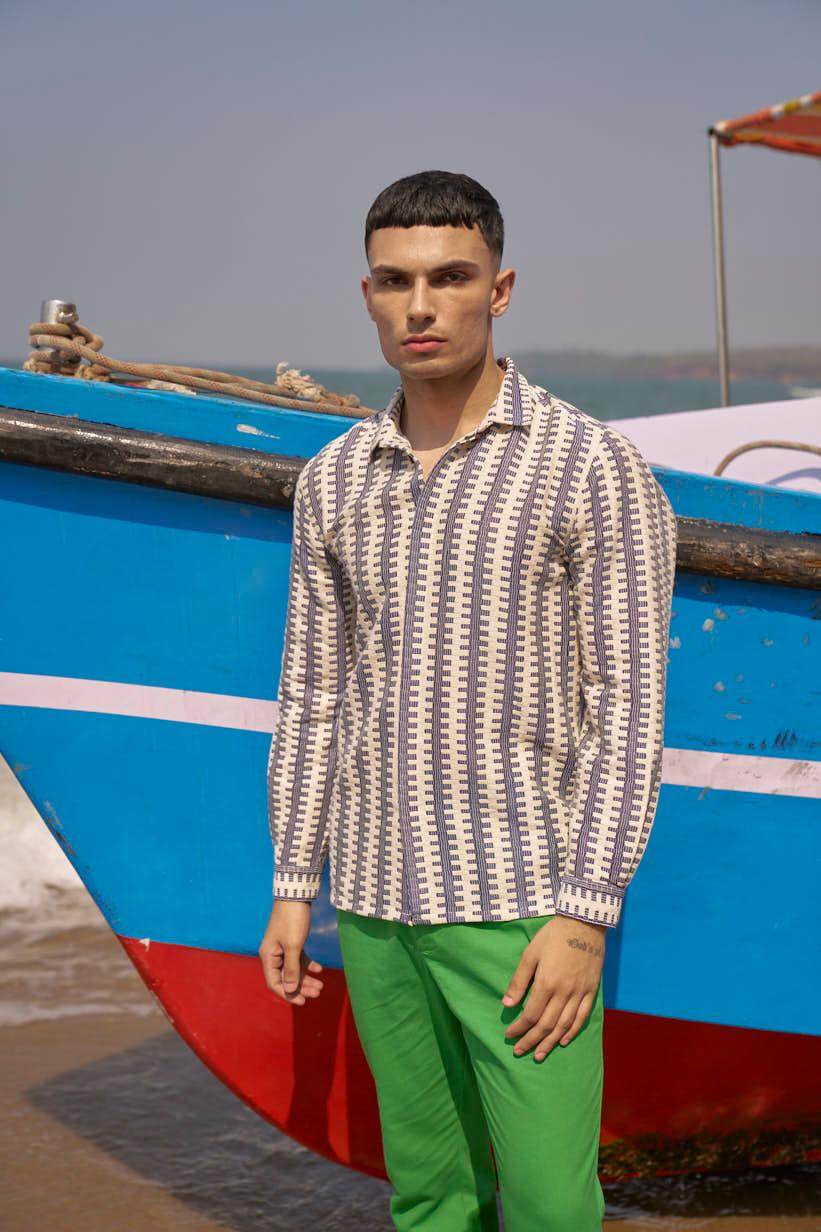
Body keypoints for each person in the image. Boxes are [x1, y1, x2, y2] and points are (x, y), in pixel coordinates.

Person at [259, 169, 678, 1231]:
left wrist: (584, 915)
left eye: (449, 277)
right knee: (430, 1195)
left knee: (548, 1202)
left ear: (499, 289)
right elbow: (312, 694)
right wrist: (294, 882)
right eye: (395, 281)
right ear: (366, 294)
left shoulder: (591, 467)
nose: (421, 305)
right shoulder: (333, 478)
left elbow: (625, 707)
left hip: (522, 906)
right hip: (374, 902)